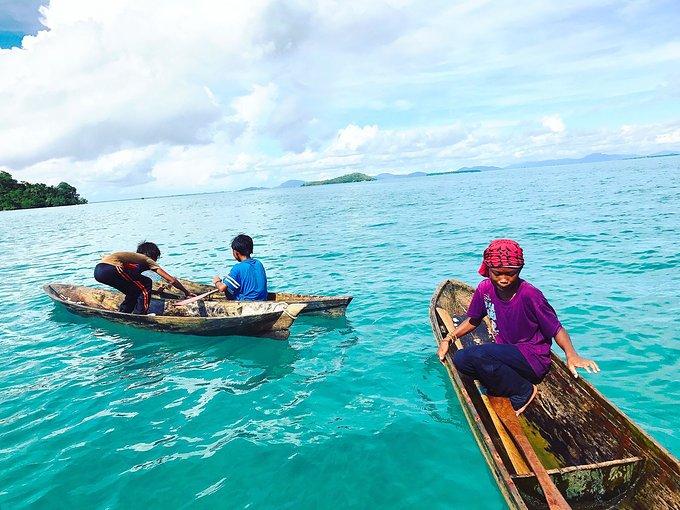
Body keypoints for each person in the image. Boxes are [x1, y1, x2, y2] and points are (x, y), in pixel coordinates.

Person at [437, 239, 599, 415]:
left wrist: (571, 354)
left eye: (510, 274)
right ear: (488, 269)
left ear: (519, 271)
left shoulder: (530, 294)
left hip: (532, 359)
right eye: (498, 273)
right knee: (461, 360)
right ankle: (509, 382)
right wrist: (449, 338)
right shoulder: (485, 288)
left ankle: (524, 391)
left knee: (478, 354)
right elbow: (474, 319)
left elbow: (556, 328)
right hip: (507, 355)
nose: (504, 279)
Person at [94, 241, 194, 314]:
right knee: (146, 282)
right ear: (153, 256)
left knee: (133, 291)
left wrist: (156, 292)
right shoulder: (147, 260)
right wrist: (186, 292)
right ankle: (140, 314)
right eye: (156, 258)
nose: (156, 261)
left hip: (99, 271)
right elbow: (171, 279)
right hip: (111, 269)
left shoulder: (132, 259)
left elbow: (136, 285)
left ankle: (124, 312)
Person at [212, 234, 268, 301]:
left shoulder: (238, 268)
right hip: (263, 299)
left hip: (247, 301)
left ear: (236, 253)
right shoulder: (258, 263)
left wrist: (217, 281)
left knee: (227, 288)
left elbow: (221, 288)